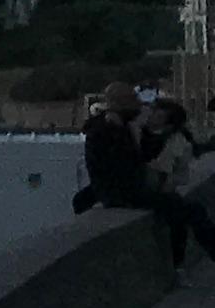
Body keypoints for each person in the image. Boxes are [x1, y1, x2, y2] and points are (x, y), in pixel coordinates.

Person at [83, 81, 215, 272]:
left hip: (128, 189)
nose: (139, 106)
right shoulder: (104, 131)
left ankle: (179, 264)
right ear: (120, 103)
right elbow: (123, 166)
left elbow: (147, 154)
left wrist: (141, 134)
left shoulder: (124, 127)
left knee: (184, 210)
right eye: (133, 101)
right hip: (121, 193)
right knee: (187, 210)